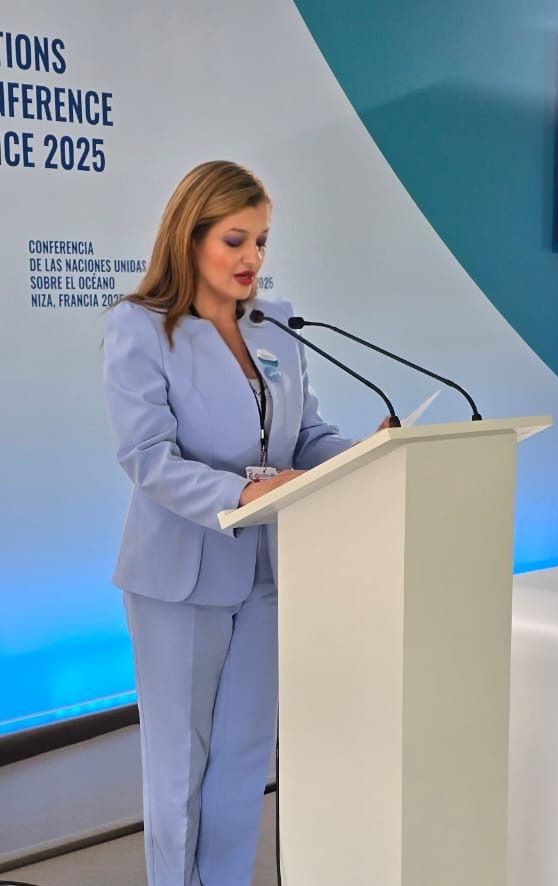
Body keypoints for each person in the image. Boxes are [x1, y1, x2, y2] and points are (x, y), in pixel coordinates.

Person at [103, 160, 372, 886]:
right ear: (188, 239)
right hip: (180, 577)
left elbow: (304, 437)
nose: (252, 257)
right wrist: (245, 493)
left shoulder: (277, 323)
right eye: (235, 240)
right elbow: (147, 459)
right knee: (179, 768)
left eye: (261, 241)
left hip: (269, 573)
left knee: (245, 759)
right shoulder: (140, 329)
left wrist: (372, 454)